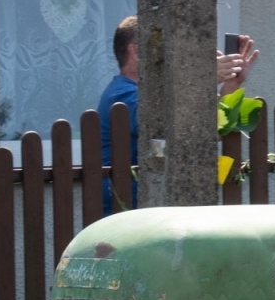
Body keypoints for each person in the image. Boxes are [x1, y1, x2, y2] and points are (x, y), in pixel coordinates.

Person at [98, 16, 258, 212]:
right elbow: (158, 121)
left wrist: (231, 85)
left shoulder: (158, 93)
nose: (174, 54)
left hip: (154, 209)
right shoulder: (121, 93)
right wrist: (201, 78)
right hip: (127, 215)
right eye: (165, 46)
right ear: (137, 51)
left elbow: (204, 130)